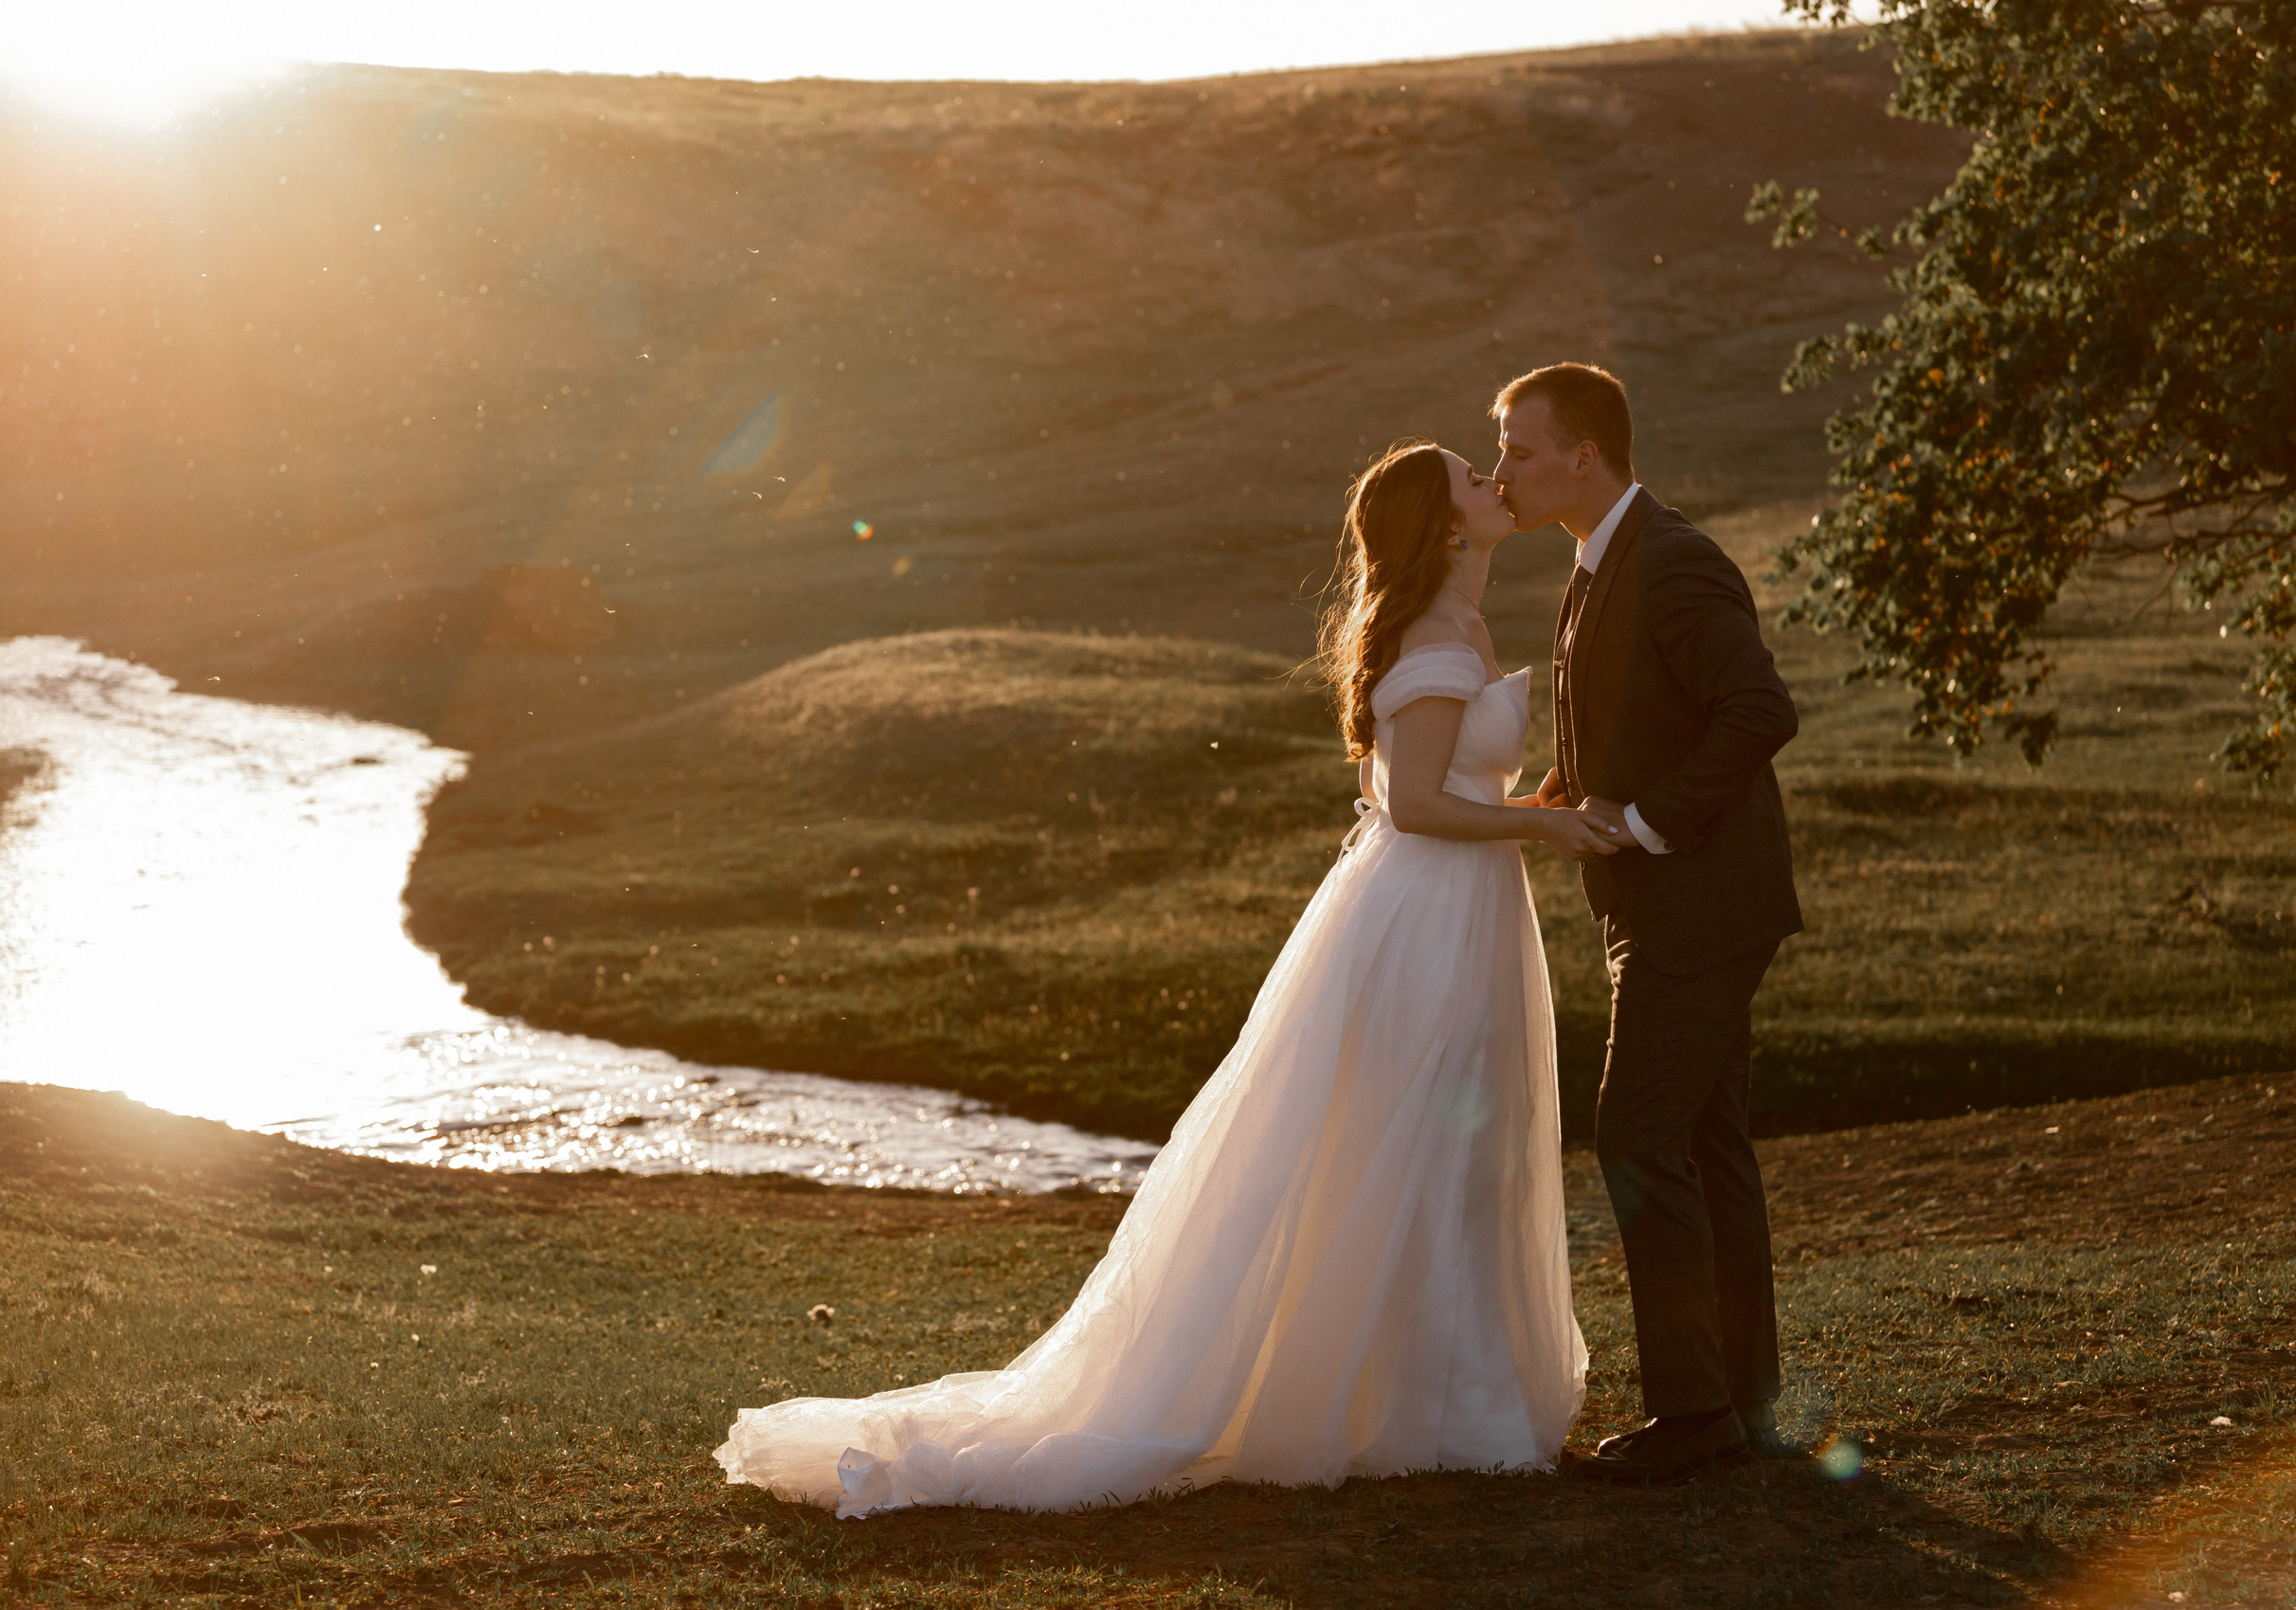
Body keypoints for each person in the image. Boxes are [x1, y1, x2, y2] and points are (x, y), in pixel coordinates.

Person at [714, 441, 1618, 1516]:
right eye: (1475, 478)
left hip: (1461, 907)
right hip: (1427, 915)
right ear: (1448, 525)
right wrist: (1544, 828)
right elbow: (1417, 805)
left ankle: (1437, 1396)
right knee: (1410, 1136)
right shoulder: (1431, 635)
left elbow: (1437, 782)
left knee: (1448, 1148)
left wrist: (1538, 804)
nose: (1495, 482)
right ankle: (1422, 1408)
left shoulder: (1458, 623)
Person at [1492, 362, 1805, 1482]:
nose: (1501, 474)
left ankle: (1692, 1419)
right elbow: (1634, 713)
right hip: (1672, 899)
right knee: (1708, 1141)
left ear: (1585, 455)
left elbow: (1759, 708)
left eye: (1519, 452)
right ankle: (1741, 1403)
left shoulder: (1671, 560)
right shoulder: (1596, 562)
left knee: (1636, 1136)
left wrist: (1643, 820)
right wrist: (1560, 790)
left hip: (1699, 901)